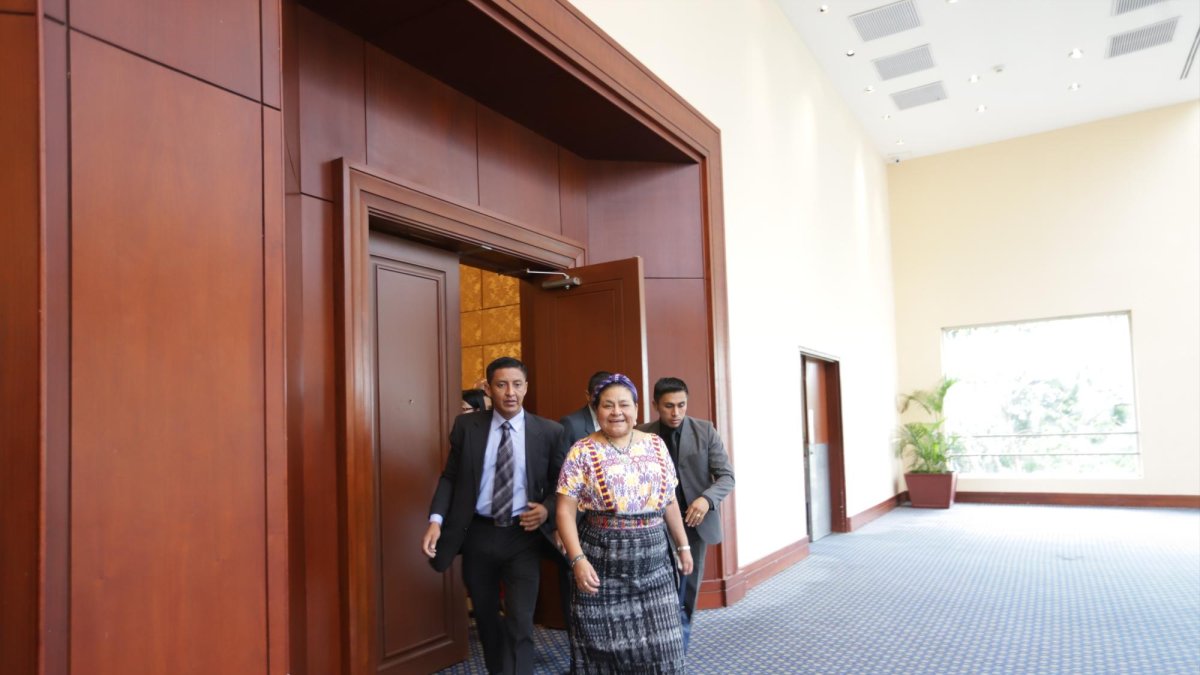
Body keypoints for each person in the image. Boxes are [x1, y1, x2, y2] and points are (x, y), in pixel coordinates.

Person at [422, 357, 569, 675]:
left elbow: (563, 486)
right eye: (501, 385)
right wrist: (436, 520)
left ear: (526, 387)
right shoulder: (467, 427)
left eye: (517, 385)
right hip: (478, 533)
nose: (510, 392)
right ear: (489, 389)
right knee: (487, 621)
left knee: (520, 620)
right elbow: (450, 477)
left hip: (523, 535)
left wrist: (546, 509)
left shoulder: (549, 431)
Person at [555, 373, 693, 672]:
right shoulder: (582, 450)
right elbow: (564, 511)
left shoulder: (655, 445)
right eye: (607, 405)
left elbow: (668, 500)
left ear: (636, 409)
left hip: (655, 564)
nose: (616, 412)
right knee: (603, 654)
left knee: (664, 650)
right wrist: (577, 559)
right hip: (601, 563)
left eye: (624, 404)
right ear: (596, 409)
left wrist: (683, 546)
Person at [636, 376, 735, 652]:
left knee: (688, 587)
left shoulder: (705, 430)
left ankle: (680, 646)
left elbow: (727, 477)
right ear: (656, 405)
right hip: (655, 524)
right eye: (669, 406)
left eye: (681, 405)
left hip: (694, 523)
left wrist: (706, 499)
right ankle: (658, 642)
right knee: (658, 585)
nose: (676, 412)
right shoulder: (642, 434)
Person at [559, 370, 612, 441]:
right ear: (588, 396)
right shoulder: (571, 424)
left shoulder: (620, 421)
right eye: (598, 396)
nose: (604, 400)